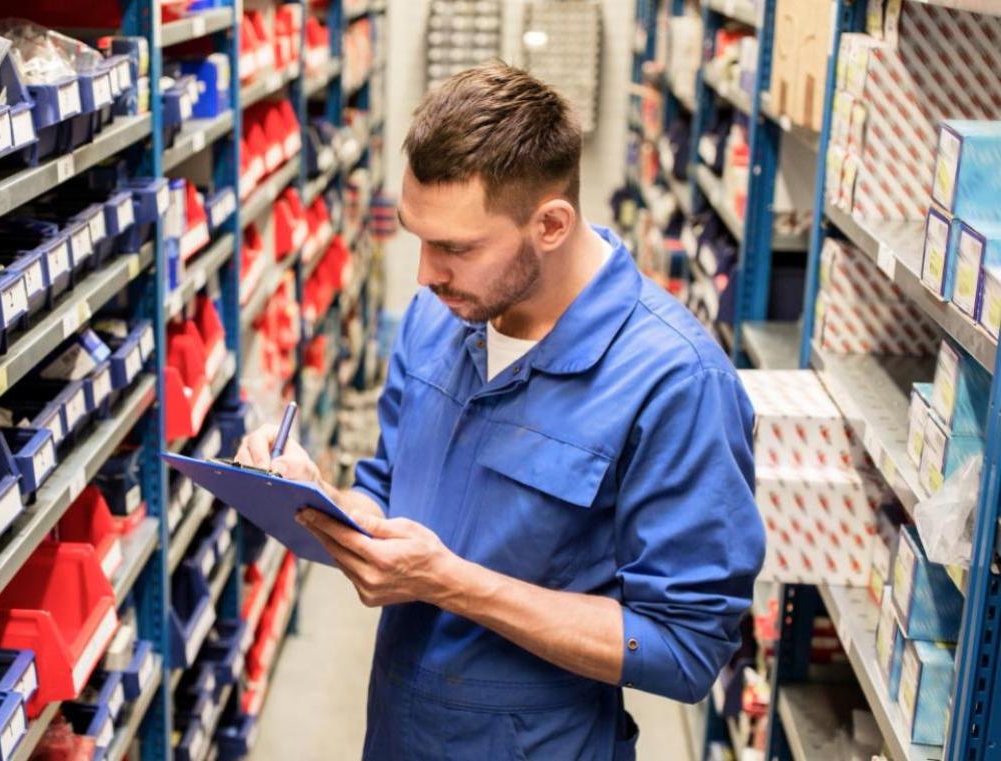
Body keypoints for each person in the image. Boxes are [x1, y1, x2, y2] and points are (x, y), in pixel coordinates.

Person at [233, 62, 765, 759]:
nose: (424, 275)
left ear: (550, 224)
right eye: (420, 238)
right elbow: (387, 490)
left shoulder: (676, 381)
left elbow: (686, 648)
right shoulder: (436, 316)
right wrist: (317, 500)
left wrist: (452, 583)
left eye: (455, 247)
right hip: (398, 733)